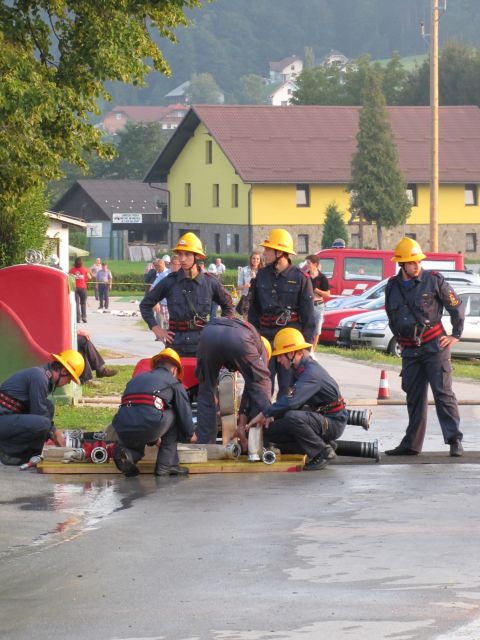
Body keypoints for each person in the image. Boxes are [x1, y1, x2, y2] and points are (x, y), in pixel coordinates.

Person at [384, 237, 465, 457]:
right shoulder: (391, 287)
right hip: (410, 350)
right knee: (414, 396)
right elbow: (391, 316)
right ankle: (411, 444)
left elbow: (455, 306)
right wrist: (400, 338)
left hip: (434, 346)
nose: (416, 265)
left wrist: (455, 335)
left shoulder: (434, 280)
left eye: (418, 261)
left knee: (443, 394)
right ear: (401, 264)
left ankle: (454, 440)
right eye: (411, 262)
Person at [247, 328, 347, 471]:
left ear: (292, 353)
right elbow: (291, 399)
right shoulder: (299, 369)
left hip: (332, 422)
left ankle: (322, 452)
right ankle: (322, 443)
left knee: (292, 417)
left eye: (281, 356)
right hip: (319, 418)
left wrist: (266, 413)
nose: (279, 360)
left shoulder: (311, 373)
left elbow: (292, 402)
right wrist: (270, 418)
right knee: (270, 431)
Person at [140, 232, 234, 356]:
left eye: (187, 254)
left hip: (203, 344)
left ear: (197, 256)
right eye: (180, 254)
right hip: (175, 345)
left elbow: (229, 306)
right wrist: (156, 328)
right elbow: (145, 305)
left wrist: (220, 330)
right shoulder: (169, 281)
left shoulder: (210, 282)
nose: (182, 259)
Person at [248, 229, 315, 397]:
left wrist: (306, 347)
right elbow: (254, 312)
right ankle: (263, 421)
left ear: (280, 253)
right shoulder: (261, 276)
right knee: (263, 387)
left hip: (290, 344)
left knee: (287, 390)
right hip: (266, 340)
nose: (264, 253)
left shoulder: (301, 279)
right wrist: (252, 339)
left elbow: (308, 317)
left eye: (268, 250)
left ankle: (282, 422)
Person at [111, 348, 195, 477]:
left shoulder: (136, 380)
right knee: (173, 413)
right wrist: (190, 434)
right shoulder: (174, 383)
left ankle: (128, 454)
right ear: (174, 370)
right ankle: (166, 465)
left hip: (122, 426)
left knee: (139, 414)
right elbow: (184, 412)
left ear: (155, 366)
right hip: (149, 423)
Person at [194, 317, 272, 444]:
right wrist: (267, 410)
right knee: (261, 383)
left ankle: (205, 447)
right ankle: (260, 442)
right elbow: (257, 385)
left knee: (206, 389)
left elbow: (249, 388)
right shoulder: (260, 349)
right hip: (238, 338)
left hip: (208, 333)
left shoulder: (249, 335)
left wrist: (240, 424)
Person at [0, 350, 85, 465]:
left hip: (7, 419)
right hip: (3, 419)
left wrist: (52, 431)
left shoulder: (43, 377)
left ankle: (30, 455)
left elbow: (42, 409)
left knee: (48, 407)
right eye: (69, 379)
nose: (68, 383)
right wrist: (56, 433)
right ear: (64, 371)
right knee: (44, 423)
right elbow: (38, 411)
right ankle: (8, 453)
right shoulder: (39, 377)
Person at [305, 254, 330, 350]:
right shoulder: (305, 276)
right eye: (306, 263)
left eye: (309, 263)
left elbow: (328, 294)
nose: (307, 265)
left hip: (318, 305)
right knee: (307, 326)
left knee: (317, 329)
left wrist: (316, 290)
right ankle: (306, 347)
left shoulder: (322, 277)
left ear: (315, 264)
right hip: (307, 304)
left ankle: (313, 350)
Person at [237, 251, 262, 319]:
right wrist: (245, 286)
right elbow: (238, 287)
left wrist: (256, 278)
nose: (255, 260)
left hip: (259, 297)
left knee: (259, 318)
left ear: (260, 260)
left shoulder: (263, 271)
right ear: (251, 259)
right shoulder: (244, 270)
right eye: (254, 258)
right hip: (247, 297)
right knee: (246, 318)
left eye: (258, 259)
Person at [69, 257, 92, 323]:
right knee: (83, 303)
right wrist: (85, 280)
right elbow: (90, 277)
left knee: (76, 304)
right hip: (83, 288)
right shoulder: (84, 270)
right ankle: (84, 317)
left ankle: (77, 319)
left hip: (75, 288)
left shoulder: (72, 270)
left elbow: (69, 278)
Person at [150, 259, 170, 333]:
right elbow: (152, 289)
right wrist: (155, 302)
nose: (156, 268)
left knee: (168, 323)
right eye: (155, 266)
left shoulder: (166, 274)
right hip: (162, 303)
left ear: (162, 265)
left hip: (170, 303)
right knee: (161, 320)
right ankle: (160, 335)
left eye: (157, 266)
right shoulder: (160, 274)